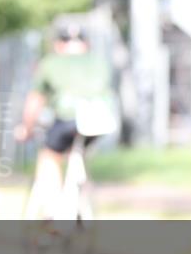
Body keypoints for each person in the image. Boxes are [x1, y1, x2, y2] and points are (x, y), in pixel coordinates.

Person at [15, 23, 117, 221]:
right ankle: (82, 197)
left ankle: (51, 211)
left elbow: (35, 101)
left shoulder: (51, 63)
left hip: (68, 119)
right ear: (86, 44)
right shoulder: (100, 62)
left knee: (49, 157)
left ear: (59, 45)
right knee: (78, 154)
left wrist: (26, 129)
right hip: (100, 121)